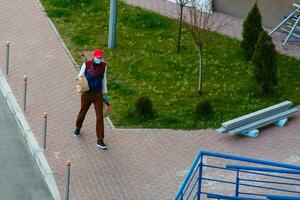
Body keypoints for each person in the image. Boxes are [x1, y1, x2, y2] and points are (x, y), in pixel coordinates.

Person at [74, 49, 109, 150]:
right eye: (98, 58)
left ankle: (100, 140)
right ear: (94, 57)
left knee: (100, 117)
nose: (99, 59)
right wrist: (83, 86)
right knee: (83, 112)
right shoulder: (86, 64)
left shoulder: (104, 66)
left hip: (98, 94)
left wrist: (105, 93)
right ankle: (78, 128)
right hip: (87, 93)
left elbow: (104, 79)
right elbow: (80, 76)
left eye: (100, 58)